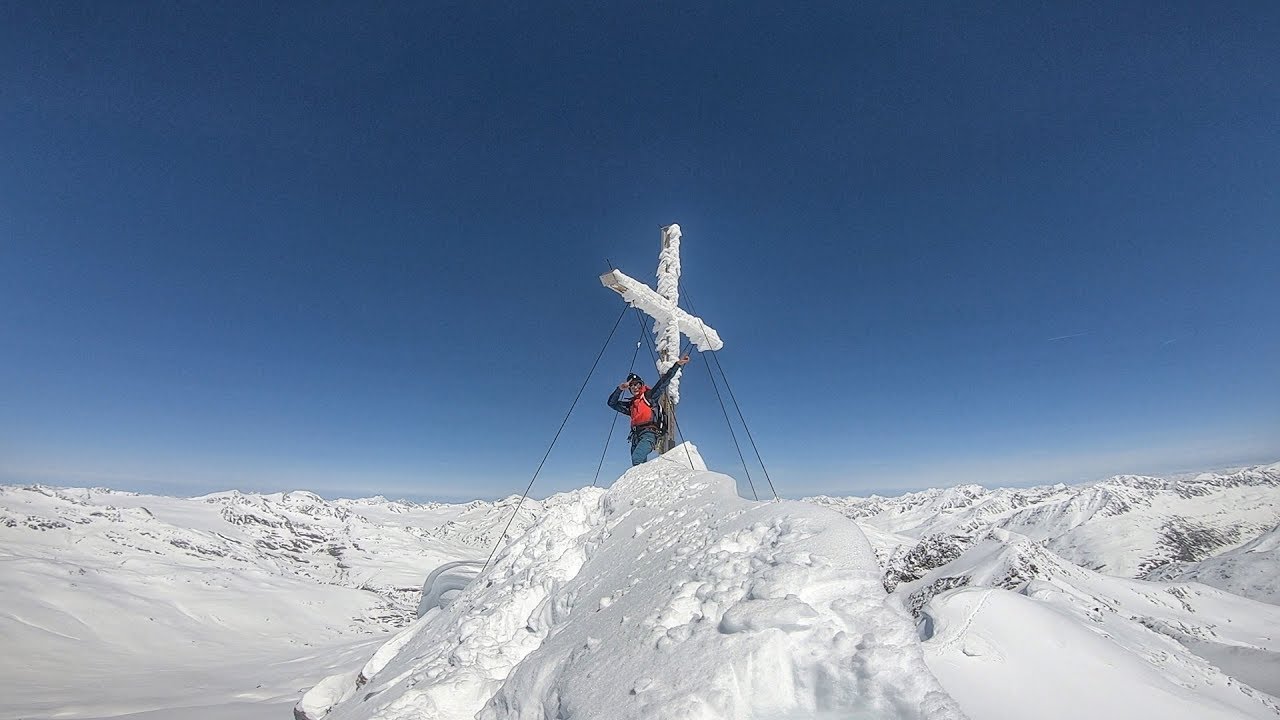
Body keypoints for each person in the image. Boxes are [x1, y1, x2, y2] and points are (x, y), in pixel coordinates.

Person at [607, 354, 691, 466]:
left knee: (637, 459)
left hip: (649, 433)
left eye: (637, 384)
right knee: (638, 465)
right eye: (631, 386)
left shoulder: (649, 396)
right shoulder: (631, 405)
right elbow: (611, 403)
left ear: (642, 385)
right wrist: (620, 389)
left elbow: (664, 381)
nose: (635, 387)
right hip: (635, 436)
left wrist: (677, 364)